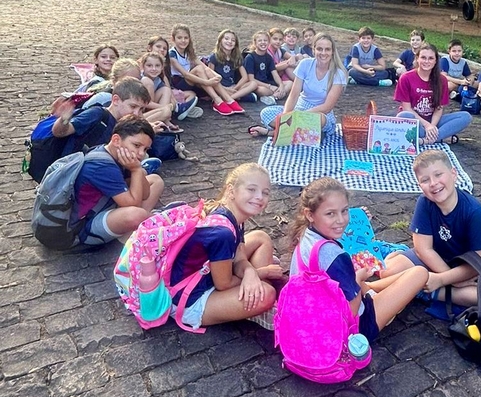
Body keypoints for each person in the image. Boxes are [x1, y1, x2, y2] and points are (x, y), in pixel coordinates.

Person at [290, 177, 428, 340]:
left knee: (360, 277)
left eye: (344, 211)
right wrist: (357, 280)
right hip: (353, 325)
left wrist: (359, 222)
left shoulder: (306, 235)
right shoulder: (334, 256)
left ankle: (371, 289)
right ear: (310, 214)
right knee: (419, 273)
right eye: (330, 213)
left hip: (315, 315)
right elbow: (351, 311)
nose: (341, 220)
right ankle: (374, 293)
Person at [169, 163, 279, 328]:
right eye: (251, 189)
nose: (259, 197)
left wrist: (249, 271)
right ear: (231, 190)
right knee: (268, 294)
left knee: (260, 237)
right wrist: (262, 272)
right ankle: (255, 302)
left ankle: (251, 296)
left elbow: (239, 257)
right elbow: (224, 284)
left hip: (206, 273)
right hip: (189, 300)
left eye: (265, 192)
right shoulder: (222, 233)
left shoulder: (231, 215)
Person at [381, 150, 481, 308]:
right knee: (387, 273)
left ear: (454, 174)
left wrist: (444, 279)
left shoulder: (474, 211)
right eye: (425, 180)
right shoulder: (424, 202)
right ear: (420, 185)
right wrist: (447, 279)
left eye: (438, 174)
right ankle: (421, 281)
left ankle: (424, 289)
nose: (433, 183)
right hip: (432, 258)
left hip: (464, 267)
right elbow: (423, 249)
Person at [71, 115, 165, 249]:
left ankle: (132, 229)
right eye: (136, 145)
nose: (141, 154)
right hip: (84, 226)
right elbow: (134, 204)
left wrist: (137, 170)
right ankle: (138, 229)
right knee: (136, 214)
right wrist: (136, 170)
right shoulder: (102, 166)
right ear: (116, 140)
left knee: (156, 180)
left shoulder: (114, 153)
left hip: (108, 206)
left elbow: (145, 194)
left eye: (145, 149)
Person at [254, 33, 347, 138]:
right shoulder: (305, 64)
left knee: (317, 119)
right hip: (299, 107)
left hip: (320, 113)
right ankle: (304, 133)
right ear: (314, 50)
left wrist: (299, 116)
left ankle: (273, 133)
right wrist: (286, 116)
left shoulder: (338, 73)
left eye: (327, 49)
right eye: (319, 49)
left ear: (332, 51)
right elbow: (293, 95)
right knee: (266, 112)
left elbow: (327, 107)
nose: (323, 53)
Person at [51, 77, 152, 156]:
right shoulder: (96, 114)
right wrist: (64, 119)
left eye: (141, 109)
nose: (136, 113)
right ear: (116, 100)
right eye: (133, 106)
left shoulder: (124, 124)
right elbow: (59, 132)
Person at [394, 43, 472, 145]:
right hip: (414, 121)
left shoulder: (442, 80)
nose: (427, 61)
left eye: (431, 58)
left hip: (433, 120)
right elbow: (407, 108)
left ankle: (425, 140)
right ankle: (439, 138)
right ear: (417, 58)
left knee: (465, 117)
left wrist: (432, 126)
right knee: (404, 116)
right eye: (423, 57)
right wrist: (427, 126)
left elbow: (438, 109)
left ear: (436, 61)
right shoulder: (406, 78)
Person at [169, 24, 237, 115]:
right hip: (179, 82)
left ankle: (228, 100)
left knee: (206, 70)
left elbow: (204, 66)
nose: (183, 40)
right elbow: (185, 74)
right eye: (179, 38)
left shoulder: (188, 52)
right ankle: (218, 100)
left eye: (186, 38)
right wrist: (207, 82)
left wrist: (216, 75)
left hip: (190, 81)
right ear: (173, 39)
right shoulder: (172, 54)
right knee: (199, 69)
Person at [206, 29, 257, 108]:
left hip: (233, 86)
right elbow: (209, 76)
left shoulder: (236, 57)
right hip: (220, 87)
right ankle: (237, 97)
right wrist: (225, 89)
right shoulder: (214, 57)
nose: (229, 42)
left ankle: (229, 99)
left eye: (233, 40)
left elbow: (245, 77)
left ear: (235, 44)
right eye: (226, 39)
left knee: (253, 84)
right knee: (252, 96)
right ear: (220, 40)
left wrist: (235, 88)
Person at [244, 30, 283, 111]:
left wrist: (281, 85)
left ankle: (273, 96)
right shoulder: (250, 57)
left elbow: (275, 74)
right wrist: (269, 86)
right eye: (260, 41)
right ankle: (277, 95)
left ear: (268, 42)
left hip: (267, 82)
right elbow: (251, 79)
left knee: (289, 84)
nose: (263, 43)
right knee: (261, 90)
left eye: (265, 40)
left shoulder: (268, 57)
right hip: (257, 85)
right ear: (255, 43)